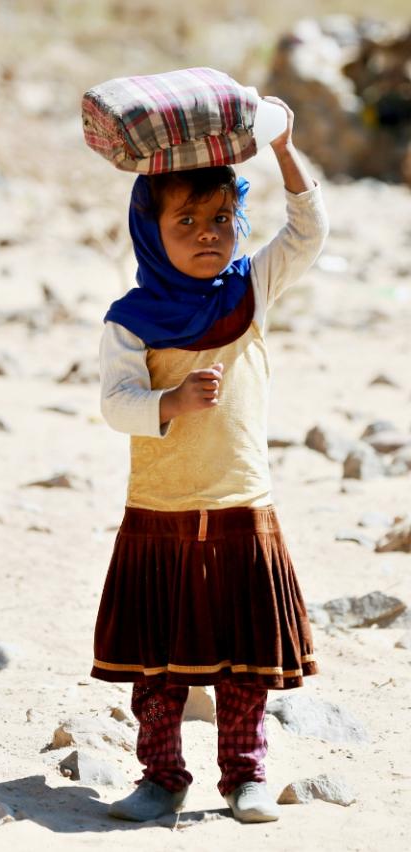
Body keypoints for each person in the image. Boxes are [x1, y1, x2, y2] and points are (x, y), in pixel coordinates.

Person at [92, 96, 329, 824]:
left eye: (222, 219)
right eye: (186, 222)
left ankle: (245, 776)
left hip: (239, 503)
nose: (208, 236)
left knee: (245, 659)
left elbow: (309, 233)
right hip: (160, 509)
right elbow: (114, 402)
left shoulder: (250, 291)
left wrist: (285, 150)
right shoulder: (132, 319)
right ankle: (161, 776)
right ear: (149, 229)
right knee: (158, 665)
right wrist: (168, 403)